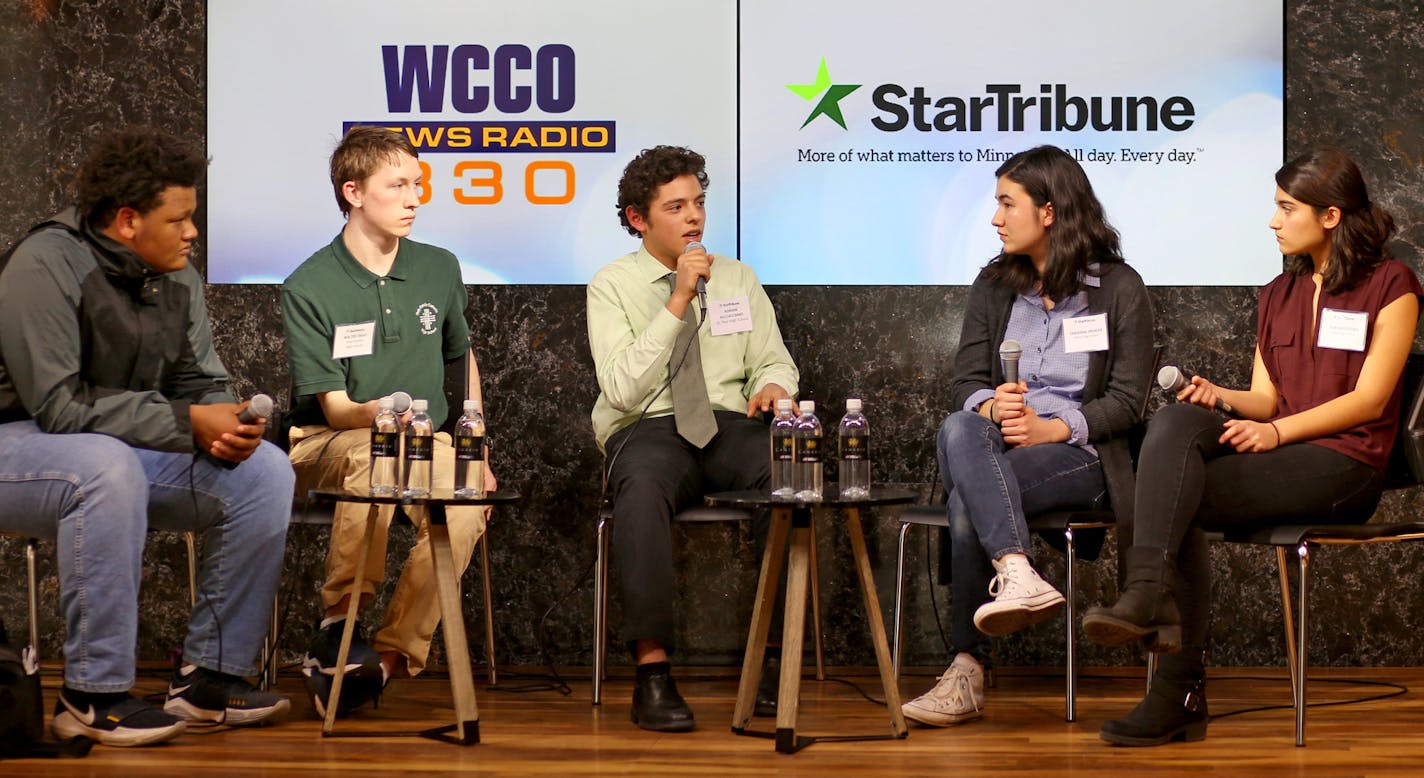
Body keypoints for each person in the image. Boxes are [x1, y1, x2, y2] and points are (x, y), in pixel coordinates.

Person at [1083, 147, 1422, 746]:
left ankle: (1170, 669)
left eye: (1286, 208)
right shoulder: (1277, 293)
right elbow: (1266, 399)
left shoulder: (1392, 286)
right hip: (1284, 451)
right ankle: (1148, 601)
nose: (1273, 220)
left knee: (1171, 495)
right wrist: (1220, 397)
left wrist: (1273, 433)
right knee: (1176, 425)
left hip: (1347, 464)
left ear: (1330, 216)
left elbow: (1371, 401)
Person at [0, 128, 293, 747]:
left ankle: (208, 681)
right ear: (128, 221)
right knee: (105, 468)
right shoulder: (45, 263)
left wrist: (226, 423)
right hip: (19, 445)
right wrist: (189, 423)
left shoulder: (175, 275)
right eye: (180, 218)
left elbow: (199, 378)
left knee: (264, 473)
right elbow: (57, 405)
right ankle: (90, 694)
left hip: (111, 447)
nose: (192, 232)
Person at [900, 145, 1155, 727]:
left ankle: (967, 669)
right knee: (961, 425)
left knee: (969, 496)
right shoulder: (995, 285)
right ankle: (1017, 571)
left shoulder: (1118, 287)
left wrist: (1053, 426)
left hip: (1080, 457)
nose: (994, 218)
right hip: (999, 446)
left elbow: (1127, 401)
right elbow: (965, 381)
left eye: (1005, 204)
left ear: (1049, 211)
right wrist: (994, 407)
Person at [281, 126, 496, 716]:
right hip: (330, 440)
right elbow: (335, 408)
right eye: (397, 185)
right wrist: (378, 414)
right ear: (353, 192)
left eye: (417, 184)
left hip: (426, 440)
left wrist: (478, 448)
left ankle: (389, 657)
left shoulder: (438, 267)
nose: (414, 198)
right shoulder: (309, 284)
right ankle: (339, 625)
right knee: (369, 453)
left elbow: (462, 356)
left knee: (468, 492)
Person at [588, 145, 799, 731]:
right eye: (676, 206)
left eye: (699, 204)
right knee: (640, 491)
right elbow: (623, 388)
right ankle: (653, 674)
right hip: (648, 426)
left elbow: (773, 361)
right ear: (639, 218)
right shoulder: (613, 284)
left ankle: (773, 664)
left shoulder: (736, 277)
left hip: (727, 424)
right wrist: (678, 298)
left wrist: (776, 388)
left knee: (788, 475)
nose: (694, 218)